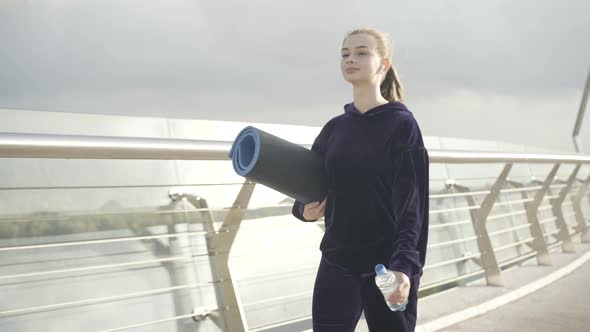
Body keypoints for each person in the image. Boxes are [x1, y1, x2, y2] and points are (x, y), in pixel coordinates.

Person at [291, 27, 429, 332]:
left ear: (384, 64)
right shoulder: (335, 128)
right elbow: (308, 186)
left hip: (386, 265)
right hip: (337, 260)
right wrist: (304, 209)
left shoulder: (402, 125)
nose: (350, 59)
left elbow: (412, 205)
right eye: (345, 53)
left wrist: (404, 268)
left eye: (361, 52)